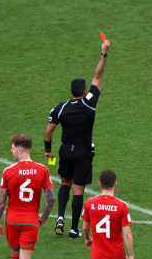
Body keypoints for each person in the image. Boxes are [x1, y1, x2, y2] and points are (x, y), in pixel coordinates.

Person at [44, 39, 110, 239]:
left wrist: (48, 151)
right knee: (79, 189)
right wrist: (104, 53)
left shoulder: (61, 107)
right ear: (84, 92)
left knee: (65, 182)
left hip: (65, 150)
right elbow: (98, 76)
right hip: (82, 152)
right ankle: (74, 229)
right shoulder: (89, 103)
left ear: (70, 92)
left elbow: (48, 131)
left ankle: (60, 218)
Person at [0, 134, 55, 259]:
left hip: (12, 221)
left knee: (15, 254)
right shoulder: (42, 170)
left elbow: (1, 201)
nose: (11, 151)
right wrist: (43, 218)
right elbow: (51, 198)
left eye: (13, 148)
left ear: (20, 150)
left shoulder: (8, 172)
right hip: (31, 222)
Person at [82, 170, 134, 259]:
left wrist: (88, 238)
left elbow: (85, 228)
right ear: (115, 183)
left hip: (98, 257)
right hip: (117, 257)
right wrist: (131, 255)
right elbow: (127, 234)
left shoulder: (90, 203)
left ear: (100, 184)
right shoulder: (122, 206)